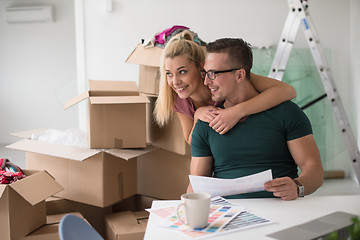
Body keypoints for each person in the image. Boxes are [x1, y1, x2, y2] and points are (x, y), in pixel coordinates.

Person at [188, 38, 323, 200]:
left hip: (282, 210)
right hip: (229, 217)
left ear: (239, 75)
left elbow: (313, 169)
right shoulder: (207, 122)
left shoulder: (287, 113)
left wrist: (297, 186)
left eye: (213, 74)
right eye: (206, 73)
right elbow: (196, 185)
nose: (206, 81)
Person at [154, 30, 297, 144]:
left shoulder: (227, 78)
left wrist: (236, 112)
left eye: (182, 72)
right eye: (169, 74)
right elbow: (191, 140)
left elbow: (287, 91)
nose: (175, 81)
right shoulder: (178, 98)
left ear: (201, 67)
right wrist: (198, 115)